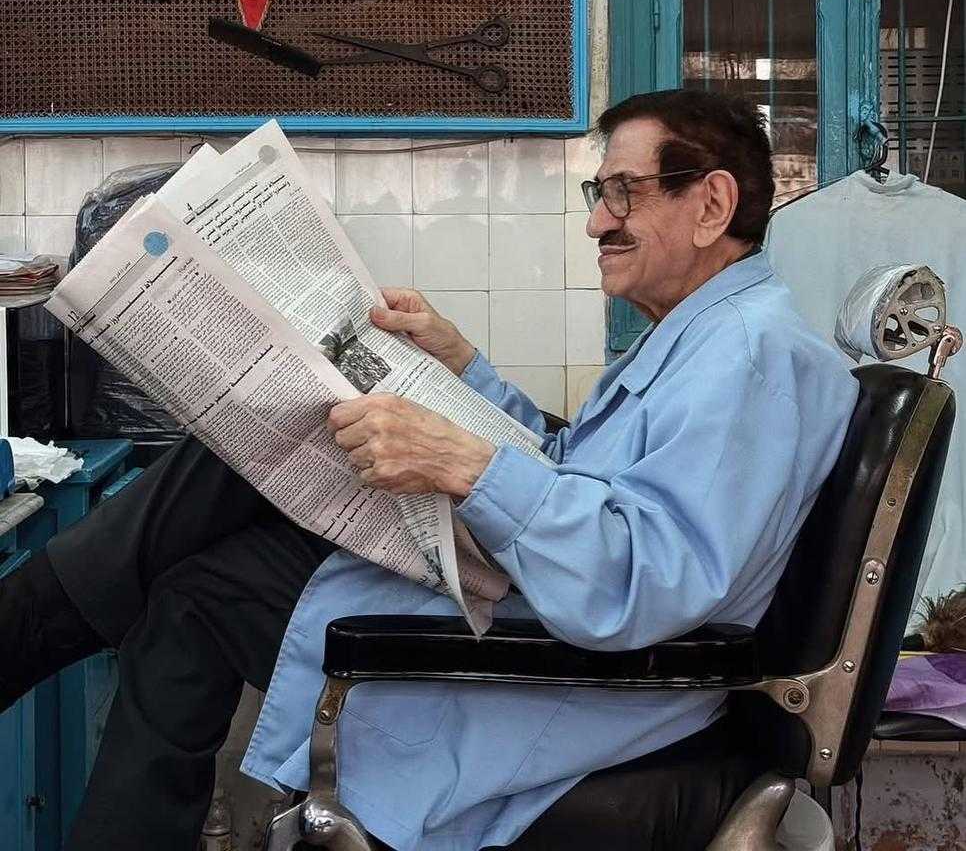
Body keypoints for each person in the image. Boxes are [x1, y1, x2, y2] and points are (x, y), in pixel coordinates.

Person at [0, 90, 859, 851]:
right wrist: (464, 372)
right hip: (540, 607)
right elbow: (577, 472)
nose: (599, 222)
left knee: (205, 568)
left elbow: (646, 578)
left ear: (712, 203)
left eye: (623, 192)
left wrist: (465, 462)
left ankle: (18, 627)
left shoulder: (751, 358)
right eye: (599, 194)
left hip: (583, 678)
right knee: (218, 525)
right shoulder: (709, 339)